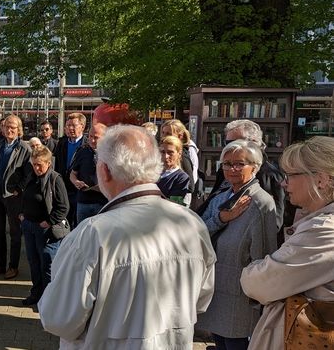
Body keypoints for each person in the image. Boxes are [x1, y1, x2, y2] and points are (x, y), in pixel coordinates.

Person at [38, 125, 216, 349]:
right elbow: (201, 300)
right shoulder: (191, 224)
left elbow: (60, 319)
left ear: (105, 171)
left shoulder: (93, 233)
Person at [240, 136, 334, 349]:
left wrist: (254, 268)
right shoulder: (317, 223)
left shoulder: (324, 230)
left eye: (290, 175)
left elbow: (259, 283)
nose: (284, 183)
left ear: (320, 179)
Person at [197, 140, 277, 349]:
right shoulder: (221, 198)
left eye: (240, 164)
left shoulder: (261, 202)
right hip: (215, 286)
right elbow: (198, 233)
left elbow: (263, 254)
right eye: (227, 164)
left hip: (240, 294)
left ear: (255, 167)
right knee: (219, 342)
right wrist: (222, 218)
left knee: (235, 342)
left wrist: (259, 299)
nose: (232, 169)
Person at [202, 119, 286, 233]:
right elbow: (209, 209)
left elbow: (274, 223)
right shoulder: (224, 170)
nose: (230, 148)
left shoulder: (271, 176)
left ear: (253, 144)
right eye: (227, 143)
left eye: (235, 143)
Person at [19, 146, 69, 306]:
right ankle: (36, 294)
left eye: (40, 164)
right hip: (29, 226)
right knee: (33, 262)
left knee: (47, 264)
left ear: (48, 163)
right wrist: (21, 214)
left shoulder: (55, 179)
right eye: (34, 164)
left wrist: (49, 221)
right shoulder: (30, 176)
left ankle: (50, 301)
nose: (37, 168)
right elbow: (24, 196)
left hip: (46, 230)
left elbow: (64, 207)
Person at [0, 114, 31, 280]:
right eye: (7, 126)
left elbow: (29, 174)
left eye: (13, 127)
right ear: (2, 128)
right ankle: (0, 264)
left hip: (13, 197)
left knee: (14, 232)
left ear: (19, 130)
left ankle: (13, 266)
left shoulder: (24, 149)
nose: (9, 130)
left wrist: (19, 189)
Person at [53, 113, 88, 228]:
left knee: (78, 223)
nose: (70, 128)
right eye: (68, 126)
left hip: (80, 190)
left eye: (73, 125)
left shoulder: (87, 144)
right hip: (63, 189)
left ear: (82, 126)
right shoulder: (61, 143)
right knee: (64, 222)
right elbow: (57, 165)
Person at [70, 122, 108, 224]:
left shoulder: (110, 154)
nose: (92, 140)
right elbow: (73, 173)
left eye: (96, 137)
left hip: (102, 203)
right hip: (83, 202)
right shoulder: (82, 151)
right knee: (82, 234)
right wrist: (76, 182)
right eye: (90, 136)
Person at [157, 136, 192, 206]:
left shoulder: (182, 178)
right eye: (163, 152)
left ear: (179, 154)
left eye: (170, 152)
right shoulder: (152, 173)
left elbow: (175, 204)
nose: (166, 156)